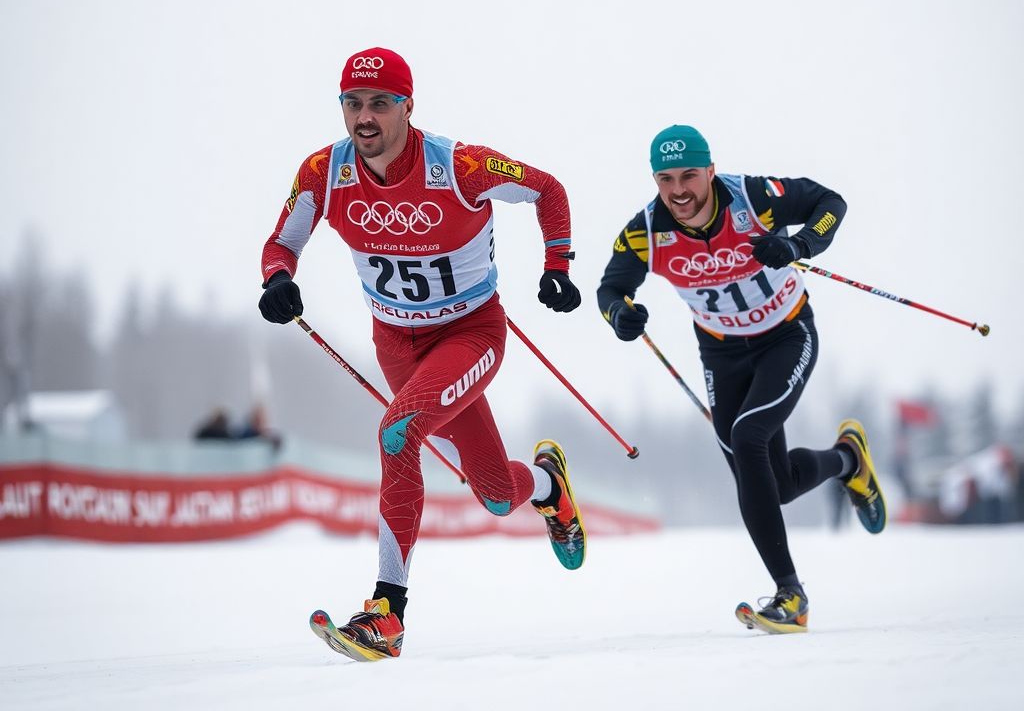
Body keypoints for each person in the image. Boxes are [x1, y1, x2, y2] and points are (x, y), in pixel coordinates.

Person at [259, 47, 586, 661]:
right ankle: (547, 485)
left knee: (397, 431)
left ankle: (387, 613)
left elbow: (548, 189)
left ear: (408, 106)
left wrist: (557, 266)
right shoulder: (322, 173)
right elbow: (281, 242)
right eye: (353, 104)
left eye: (380, 103)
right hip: (396, 346)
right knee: (493, 495)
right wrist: (277, 280)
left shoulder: (458, 166)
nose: (365, 118)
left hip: (470, 336)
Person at [596, 125, 885, 634]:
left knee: (746, 435)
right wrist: (621, 316)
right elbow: (611, 288)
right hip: (722, 357)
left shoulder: (754, 198)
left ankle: (790, 595)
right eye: (666, 179)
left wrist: (800, 244)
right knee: (775, 488)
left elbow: (830, 202)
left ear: (710, 170)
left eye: (689, 175)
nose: (679, 190)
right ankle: (849, 460)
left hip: (787, 337)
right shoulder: (646, 230)